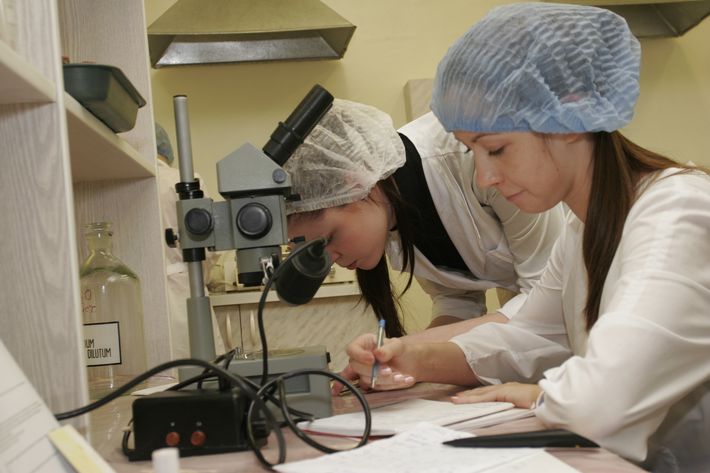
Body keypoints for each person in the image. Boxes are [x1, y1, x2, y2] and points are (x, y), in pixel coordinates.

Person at [342, 4, 710, 471]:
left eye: (496, 149)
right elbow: (529, 335)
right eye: (472, 153)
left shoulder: (677, 213)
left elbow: (600, 403)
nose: (485, 177)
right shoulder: (582, 228)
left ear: (571, 118)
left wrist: (537, 396)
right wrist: (410, 358)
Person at [283, 99, 565, 338]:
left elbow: (548, 296)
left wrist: (413, 349)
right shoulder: (394, 217)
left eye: (329, 240)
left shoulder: (474, 160)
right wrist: (410, 358)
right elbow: (457, 300)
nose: (331, 260)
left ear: (355, 184)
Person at [156, 124, 226, 359]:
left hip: (142, 296)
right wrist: (201, 277)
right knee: (197, 368)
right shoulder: (185, 180)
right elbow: (209, 244)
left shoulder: (125, 179)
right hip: (185, 289)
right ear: (166, 151)